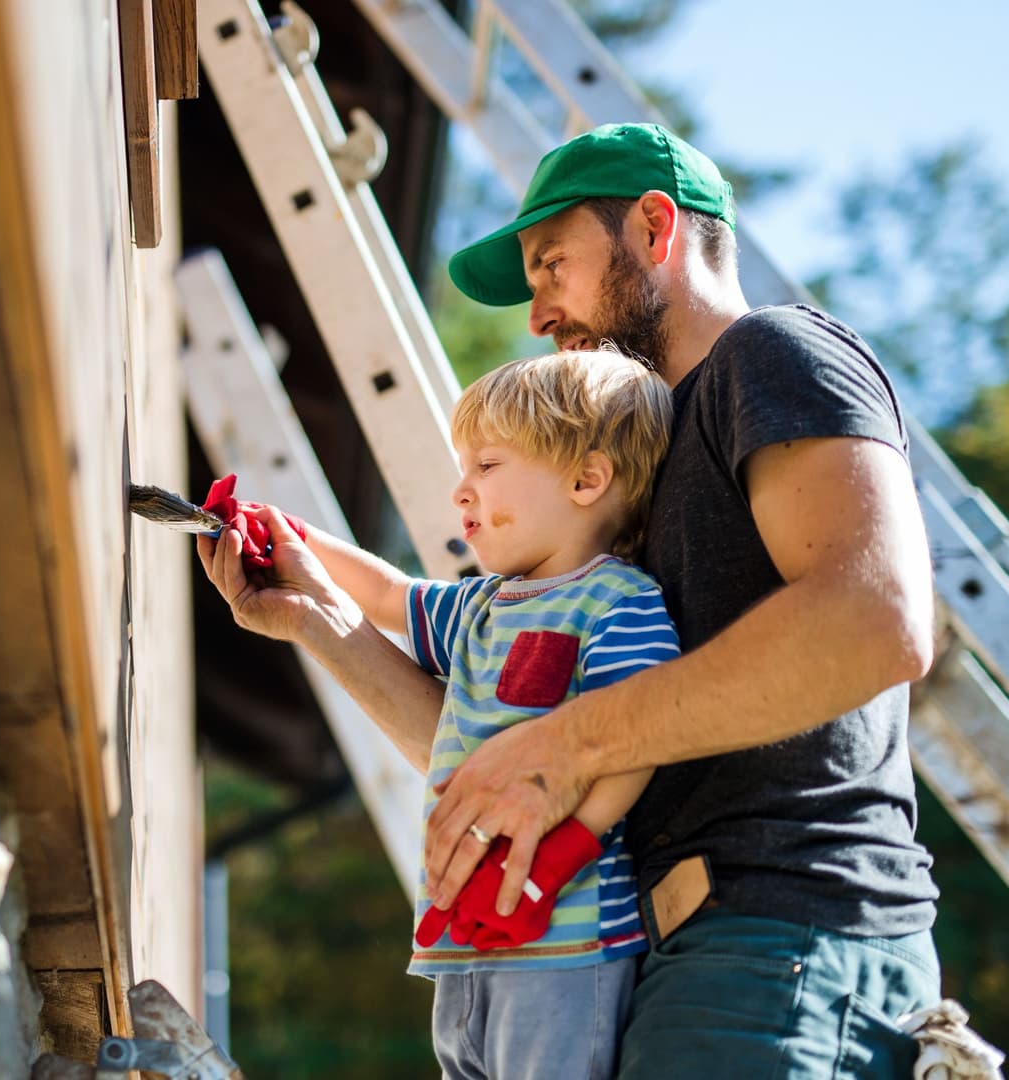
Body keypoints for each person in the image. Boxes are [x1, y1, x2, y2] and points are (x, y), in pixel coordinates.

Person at [199, 121, 942, 1078]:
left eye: (552, 265)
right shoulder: (630, 483)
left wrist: (563, 744)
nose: (539, 314)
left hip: (784, 941)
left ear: (654, 226)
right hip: (666, 962)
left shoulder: (775, 355)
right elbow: (503, 753)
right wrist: (322, 621)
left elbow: (874, 622)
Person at [202, 347, 678, 1079]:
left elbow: (634, 740)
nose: (461, 492)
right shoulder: (483, 607)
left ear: (587, 479)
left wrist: (568, 846)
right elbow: (390, 596)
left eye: (486, 467)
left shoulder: (618, 604)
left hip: (566, 941)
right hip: (459, 941)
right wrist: (289, 536)